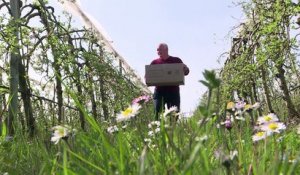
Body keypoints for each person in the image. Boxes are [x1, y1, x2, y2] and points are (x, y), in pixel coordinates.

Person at [150, 43, 190, 120]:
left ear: (166, 49)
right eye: (157, 50)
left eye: (160, 49)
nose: (158, 52)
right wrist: (147, 79)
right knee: (157, 112)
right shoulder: (154, 63)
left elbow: (186, 72)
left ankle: (172, 130)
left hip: (173, 91)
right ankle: (158, 130)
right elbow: (148, 76)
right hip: (159, 92)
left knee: (174, 114)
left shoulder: (176, 60)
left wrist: (185, 69)